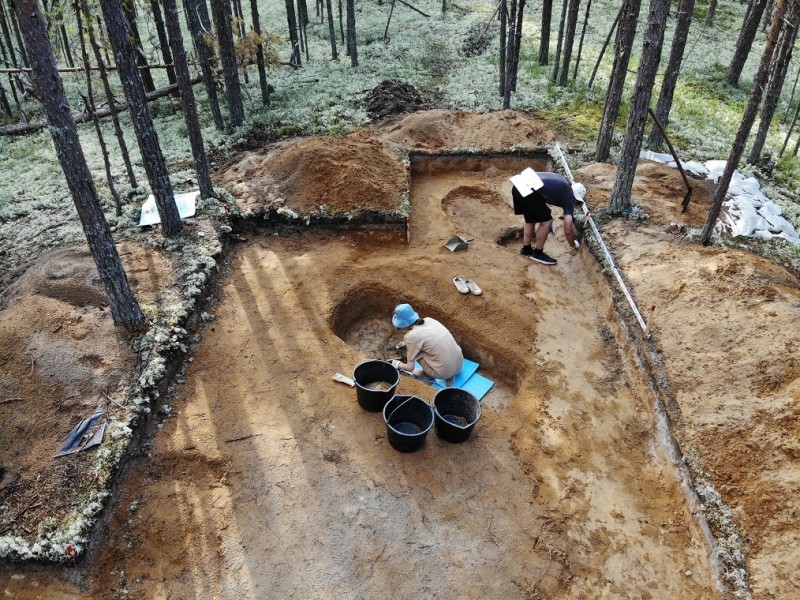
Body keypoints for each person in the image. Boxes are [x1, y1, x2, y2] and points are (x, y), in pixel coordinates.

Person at [512, 171, 584, 266]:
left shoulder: (564, 182)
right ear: (576, 198)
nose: (575, 205)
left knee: (530, 218)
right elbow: (568, 229)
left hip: (518, 185)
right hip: (530, 191)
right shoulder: (570, 198)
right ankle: (538, 253)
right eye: (577, 203)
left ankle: (526, 249)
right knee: (547, 221)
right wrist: (573, 244)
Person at [390, 303, 463, 386]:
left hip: (443, 373)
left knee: (416, 354)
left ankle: (429, 374)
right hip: (460, 363)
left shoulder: (410, 337)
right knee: (425, 349)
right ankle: (450, 373)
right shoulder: (429, 320)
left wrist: (398, 364)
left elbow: (410, 368)